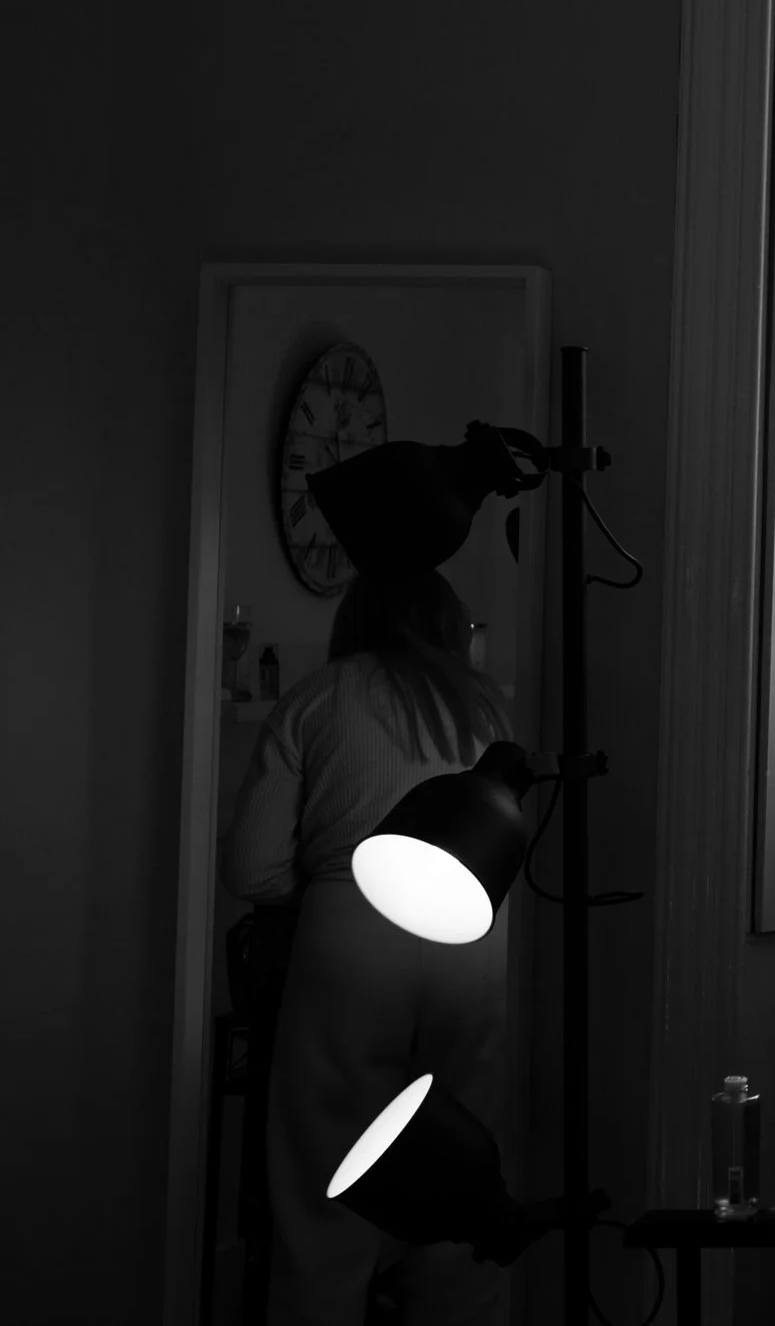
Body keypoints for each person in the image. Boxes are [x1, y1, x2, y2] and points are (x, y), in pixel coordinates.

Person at [221, 567, 514, 1326]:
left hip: (350, 932)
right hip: (474, 938)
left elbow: (251, 866)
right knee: (465, 1173)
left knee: (326, 1177)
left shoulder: (319, 697)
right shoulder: (486, 708)